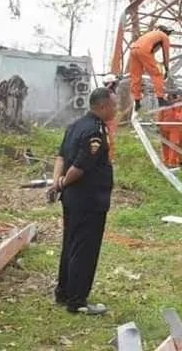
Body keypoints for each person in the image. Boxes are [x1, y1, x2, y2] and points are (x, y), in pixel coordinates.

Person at [49, 88, 116, 315]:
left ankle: (64, 292)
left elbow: (60, 156)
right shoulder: (94, 132)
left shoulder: (75, 125)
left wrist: (56, 181)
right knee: (84, 249)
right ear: (103, 106)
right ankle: (77, 301)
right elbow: (79, 166)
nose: (116, 109)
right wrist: (64, 181)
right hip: (89, 199)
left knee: (70, 243)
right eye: (113, 105)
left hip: (73, 198)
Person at [127, 25, 173, 111]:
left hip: (133, 50)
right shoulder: (164, 36)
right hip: (144, 50)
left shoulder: (151, 34)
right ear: (166, 32)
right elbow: (166, 54)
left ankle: (137, 101)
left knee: (136, 76)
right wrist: (166, 69)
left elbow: (151, 49)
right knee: (157, 74)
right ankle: (161, 99)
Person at [102, 74, 120, 161]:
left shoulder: (110, 93)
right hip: (107, 120)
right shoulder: (106, 94)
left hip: (111, 120)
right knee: (108, 140)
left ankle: (109, 157)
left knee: (110, 140)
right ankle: (108, 158)